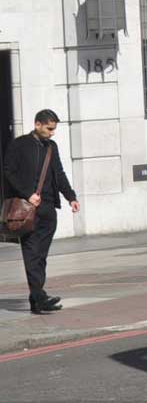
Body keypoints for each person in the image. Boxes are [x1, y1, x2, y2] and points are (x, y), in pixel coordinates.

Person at [3, 109, 80, 314]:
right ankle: (39, 296)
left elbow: (60, 174)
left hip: (47, 209)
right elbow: (9, 172)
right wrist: (28, 194)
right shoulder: (18, 145)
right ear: (38, 124)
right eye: (49, 128)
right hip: (27, 209)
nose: (52, 133)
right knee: (31, 252)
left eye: (53, 129)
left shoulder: (51, 147)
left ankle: (36, 298)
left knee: (41, 255)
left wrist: (71, 197)